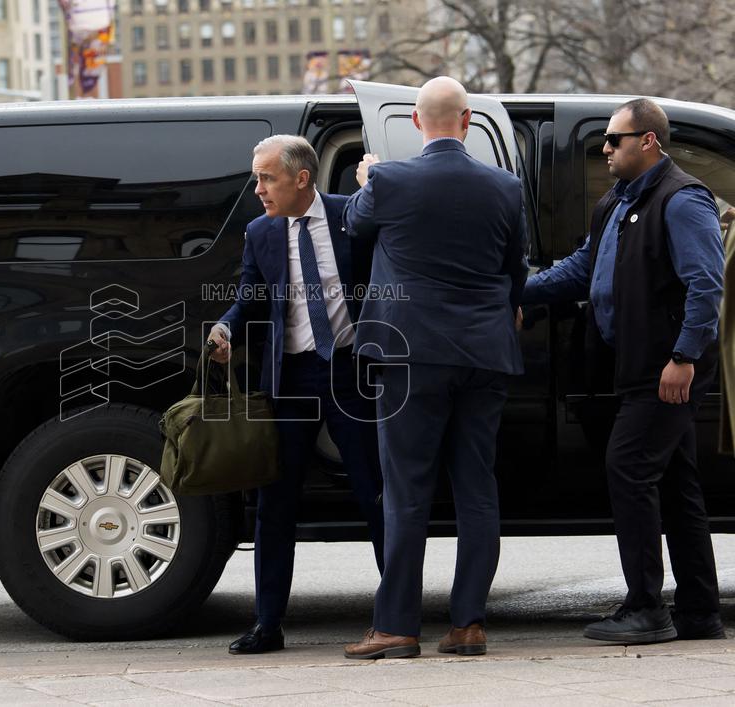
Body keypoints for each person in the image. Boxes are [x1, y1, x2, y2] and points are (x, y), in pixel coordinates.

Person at [521, 98, 725, 643]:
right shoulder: (617, 200)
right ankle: (701, 612)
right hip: (632, 363)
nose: (605, 148)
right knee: (677, 483)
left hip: (664, 366)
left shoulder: (682, 201)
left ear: (648, 141)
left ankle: (646, 610)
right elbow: (584, 267)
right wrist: (515, 291)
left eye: (615, 139)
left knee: (629, 469)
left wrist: (683, 358)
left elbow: (706, 286)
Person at [342, 76, 528, 659]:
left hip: (411, 355)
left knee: (407, 492)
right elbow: (514, 268)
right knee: (478, 491)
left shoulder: (390, 179)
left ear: (418, 124)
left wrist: (367, 178)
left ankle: (397, 626)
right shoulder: (506, 187)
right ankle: (468, 624)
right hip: (484, 354)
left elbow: (354, 226)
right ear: (468, 121)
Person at [208, 135, 385, 654]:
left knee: (375, 494)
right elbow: (246, 298)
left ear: (301, 178)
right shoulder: (260, 232)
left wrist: (375, 178)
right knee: (275, 502)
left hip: (350, 372)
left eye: (266, 177)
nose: (257, 187)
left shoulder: (351, 217)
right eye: (257, 177)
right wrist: (224, 330)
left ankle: (398, 611)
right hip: (289, 383)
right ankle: (268, 624)